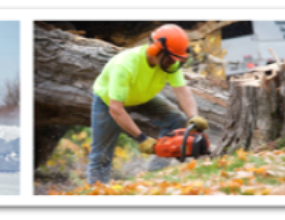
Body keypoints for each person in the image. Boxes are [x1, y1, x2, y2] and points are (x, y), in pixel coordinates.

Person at [86, 24, 210, 186]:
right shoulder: (124, 66)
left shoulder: (169, 62)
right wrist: (141, 138)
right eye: (171, 58)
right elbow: (116, 109)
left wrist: (194, 117)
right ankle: (97, 192)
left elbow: (182, 91)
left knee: (177, 120)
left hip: (142, 97)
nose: (174, 62)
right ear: (156, 50)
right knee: (101, 155)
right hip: (109, 101)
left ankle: (155, 176)